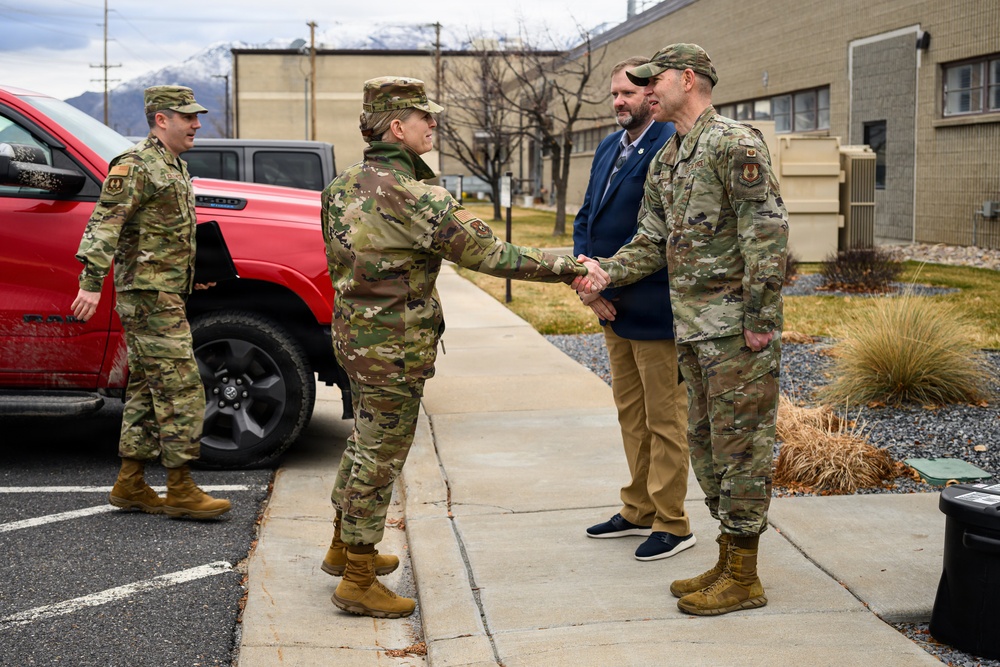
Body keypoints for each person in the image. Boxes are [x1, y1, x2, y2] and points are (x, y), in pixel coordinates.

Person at [320, 76, 606, 619]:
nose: (434, 124)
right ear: (396, 127)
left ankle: (343, 546)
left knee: (364, 444)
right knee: (382, 454)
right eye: (424, 117)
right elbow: (491, 254)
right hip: (396, 346)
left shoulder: (343, 184)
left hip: (355, 338)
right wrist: (571, 266)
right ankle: (356, 578)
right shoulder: (416, 195)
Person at [577, 44, 788, 616]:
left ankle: (745, 576)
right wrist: (604, 273)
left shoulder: (734, 143)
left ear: (687, 80)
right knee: (706, 447)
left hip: (735, 332)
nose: (645, 92)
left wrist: (761, 322)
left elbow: (766, 231)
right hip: (692, 330)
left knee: (742, 450)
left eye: (654, 81)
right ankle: (728, 558)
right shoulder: (670, 156)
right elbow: (649, 240)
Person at [71, 85, 231, 520]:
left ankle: (131, 483)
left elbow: (164, 236)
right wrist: (91, 281)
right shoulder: (137, 165)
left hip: (164, 291)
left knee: (145, 388)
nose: (197, 124)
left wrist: (191, 277)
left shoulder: (173, 166)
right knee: (181, 386)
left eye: (197, 116)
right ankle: (180, 488)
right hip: (147, 297)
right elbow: (106, 223)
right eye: (188, 117)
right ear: (161, 120)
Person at [576, 58, 693, 562]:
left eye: (629, 93)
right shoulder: (608, 146)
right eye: (615, 94)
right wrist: (584, 282)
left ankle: (673, 521)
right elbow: (588, 218)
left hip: (654, 305)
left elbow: (661, 234)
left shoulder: (671, 146)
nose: (620, 102)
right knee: (631, 415)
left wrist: (608, 278)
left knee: (665, 420)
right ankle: (638, 506)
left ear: (653, 96)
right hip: (610, 306)